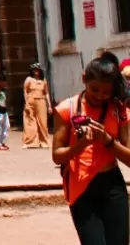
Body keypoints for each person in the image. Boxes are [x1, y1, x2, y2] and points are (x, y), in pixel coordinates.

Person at [53, 50, 130, 245]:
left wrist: (108, 141)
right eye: (94, 89)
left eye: (106, 92)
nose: (100, 96)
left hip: (112, 184)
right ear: (84, 79)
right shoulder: (66, 109)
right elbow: (57, 155)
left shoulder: (119, 111)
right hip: (81, 187)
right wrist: (79, 146)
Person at [23, 64, 52, 149]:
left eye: (37, 70)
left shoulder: (43, 80)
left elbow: (46, 93)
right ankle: (30, 142)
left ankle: (44, 141)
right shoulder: (28, 79)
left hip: (41, 100)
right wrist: (26, 103)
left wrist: (49, 105)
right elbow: (25, 91)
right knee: (30, 121)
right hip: (31, 100)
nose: (36, 72)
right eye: (34, 70)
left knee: (43, 122)